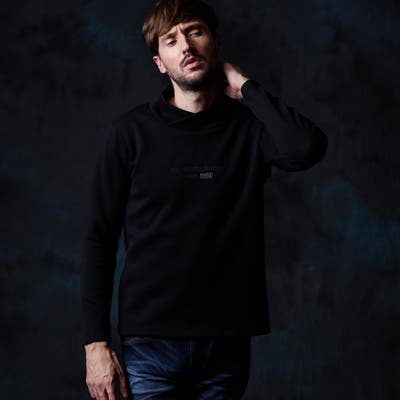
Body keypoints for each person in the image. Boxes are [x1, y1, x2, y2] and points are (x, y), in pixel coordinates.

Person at [80, 0, 328, 399]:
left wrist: (247, 87)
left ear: (216, 42)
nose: (186, 46)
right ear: (160, 63)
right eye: (171, 40)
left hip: (225, 344)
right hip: (151, 343)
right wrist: (95, 344)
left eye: (195, 32)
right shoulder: (130, 133)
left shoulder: (249, 129)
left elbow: (307, 148)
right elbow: (99, 238)